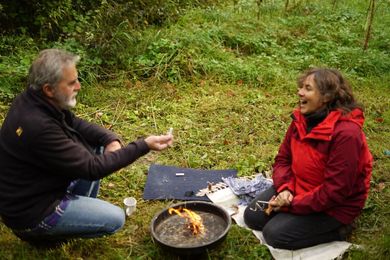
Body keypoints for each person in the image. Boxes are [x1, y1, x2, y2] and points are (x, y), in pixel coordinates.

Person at [0, 49, 173, 245]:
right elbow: (93, 168)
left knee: (96, 146)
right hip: (32, 214)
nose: (79, 86)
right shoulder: (38, 126)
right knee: (115, 218)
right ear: (49, 89)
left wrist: (110, 139)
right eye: (71, 83)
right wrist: (144, 145)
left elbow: (73, 123)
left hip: (38, 187)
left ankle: (74, 205)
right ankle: (49, 237)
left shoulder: (33, 99)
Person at [244, 68, 372, 250]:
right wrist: (285, 189)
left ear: (326, 97)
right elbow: (282, 160)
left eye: (307, 88)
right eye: (301, 87)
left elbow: (335, 192)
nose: (300, 92)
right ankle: (293, 213)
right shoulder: (301, 120)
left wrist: (291, 205)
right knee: (253, 217)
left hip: (334, 206)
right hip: (298, 187)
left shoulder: (346, 134)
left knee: (274, 235)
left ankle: (340, 230)